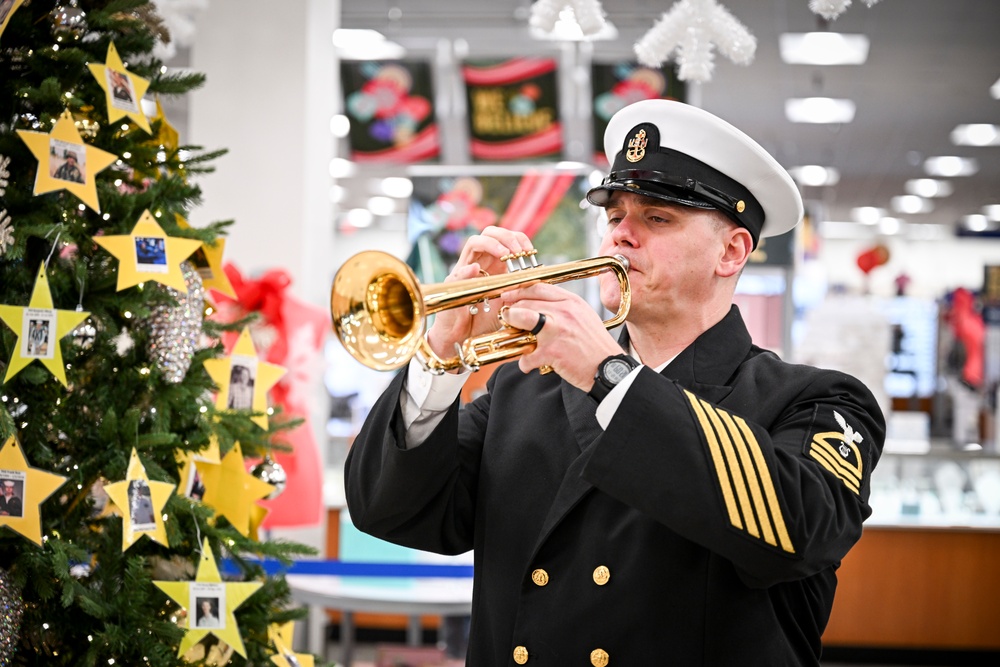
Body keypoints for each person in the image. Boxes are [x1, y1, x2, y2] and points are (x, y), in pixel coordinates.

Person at [344, 99, 885, 666]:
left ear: (731, 252)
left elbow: (797, 532)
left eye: (657, 218)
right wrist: (440, 354)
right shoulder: (521, 389)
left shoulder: (819, 401)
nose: (621, 235)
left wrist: (609, 376)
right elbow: (387, 509)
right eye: (614, 215)